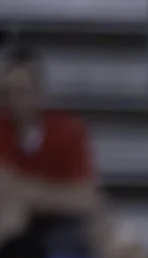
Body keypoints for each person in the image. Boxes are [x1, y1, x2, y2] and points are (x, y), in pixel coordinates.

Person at [0, 47, 103, 247]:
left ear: (39, 92)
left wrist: (25, 192)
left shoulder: (69, 130)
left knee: (101, 220)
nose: (13, 100)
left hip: (59, 222)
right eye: (6, 93)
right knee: (8, 216)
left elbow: (86, 198)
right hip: (11, 220)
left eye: (21, 91)